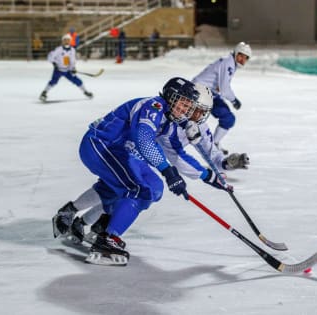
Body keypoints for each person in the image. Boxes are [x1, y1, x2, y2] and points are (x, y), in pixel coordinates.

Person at [52, 77, 217, 266]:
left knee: (153, 188)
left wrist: (208, 176)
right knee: (138, 190)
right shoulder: (153, 106)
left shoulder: (170, 121)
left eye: (188, 106)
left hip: (123, 152)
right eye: (182, 104)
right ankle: (107, 239)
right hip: (101, 145)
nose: (185, 110)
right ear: (171, 98)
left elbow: (175, 154)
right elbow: (144, 140)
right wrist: (168, 171)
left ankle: (83, 220)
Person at [56, 118, 250, 247]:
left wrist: (225, 164)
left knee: (149, 190)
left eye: (200, 111)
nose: (194, 112)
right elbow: (177, 156)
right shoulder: (175, 118)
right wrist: (208, 176)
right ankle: (82, 217)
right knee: (126, 187)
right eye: (192, 107)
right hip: (130, 148)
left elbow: (211, 154)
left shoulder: (200, 124)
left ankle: (88, 222)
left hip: (147, 158)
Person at [192, 42, 252, 154]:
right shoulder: (228, 63)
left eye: (246, 57)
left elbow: (221, 86)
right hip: (200, 93)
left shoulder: (230, 62)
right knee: (190, 124)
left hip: (209, 93)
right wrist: (234, 100)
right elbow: (224, 88)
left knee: (228, 119)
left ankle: (214, 145)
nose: (243, 59)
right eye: (241, 55)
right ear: (236, 52)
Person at [39, 34, 93, 102]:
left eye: (68, 40)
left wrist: (73, 68)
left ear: (70, 41)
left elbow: (72, 60)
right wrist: (54, 64)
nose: (67, 41)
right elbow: (50, 56)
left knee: (77, 80)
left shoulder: (72, 50)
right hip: (58, 69)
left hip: (68, 70)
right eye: (65, 40)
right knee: (53, 81)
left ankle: (85, 91)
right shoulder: (58, 49)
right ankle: (44, 93)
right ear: (62, 41)